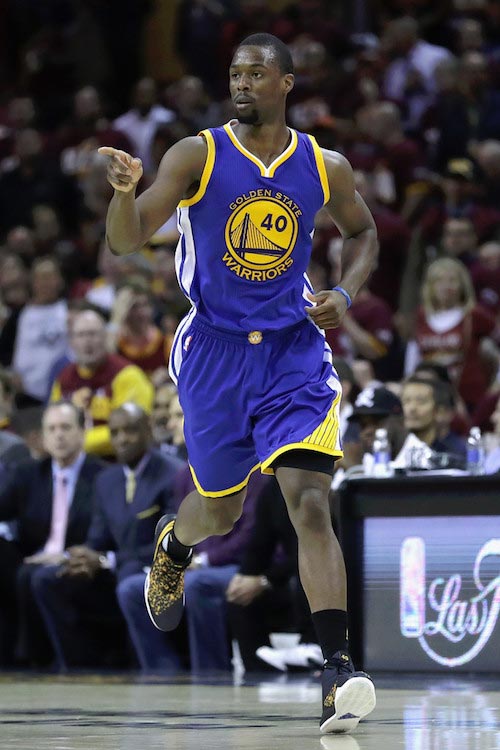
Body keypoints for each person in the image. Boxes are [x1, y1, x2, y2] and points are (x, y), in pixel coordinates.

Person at [99, 33, 378, 734]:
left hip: (292, 352)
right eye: (235, 73)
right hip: (215, 354)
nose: (243, 82)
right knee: (218, 511)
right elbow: (128, 241)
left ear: (288, 82)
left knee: (310, 503)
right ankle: (172, 545)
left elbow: (363, 232)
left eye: (257, 73)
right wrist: (126, 195)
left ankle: (336, 670)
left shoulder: (323, 164)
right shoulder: (197, 152)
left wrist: (343, 294)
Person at [32, 404, 184, 672]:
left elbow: (174, 543)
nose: (122, 439)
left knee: (130, 578)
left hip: (152, 570)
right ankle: (80, 667)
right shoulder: (106, 479)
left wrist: (106, 559)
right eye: (114, 432)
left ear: (148, 431)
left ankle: (161, 668)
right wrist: (81, 556)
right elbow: (98, 539)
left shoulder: (173, 473)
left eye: (130, 430)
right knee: (48, 579)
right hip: (115, 570)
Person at [0, 401, 104, 666]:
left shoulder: (102, 476)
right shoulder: (29, 474)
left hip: (82, 561)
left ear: (83, 432)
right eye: (52, 429)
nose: (59, 435)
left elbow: (103, 532)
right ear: (43, 436)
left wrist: (65, 555)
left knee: (34, 577)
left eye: (66, 428)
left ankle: (48, 661)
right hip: (35, 558)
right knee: (23, 570)